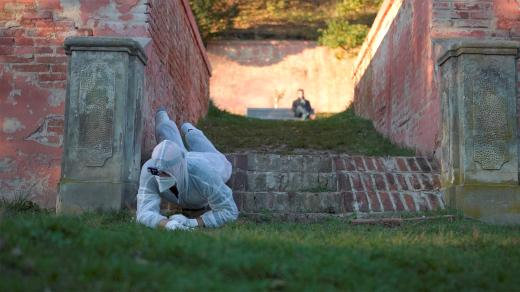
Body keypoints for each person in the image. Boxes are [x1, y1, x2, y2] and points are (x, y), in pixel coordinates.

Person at [136, 107, 238, 230]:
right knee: (170, 143)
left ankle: (190, 130)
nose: (162, 176)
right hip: (182, 160)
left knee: (210, 152)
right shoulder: (151, 169)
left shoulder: (205, 174)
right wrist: (167, 224)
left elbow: (229, 211)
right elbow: (143, 213)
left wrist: (193, 222)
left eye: (167, 173)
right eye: (160, 172)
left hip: (209, 161)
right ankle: (164, 123)